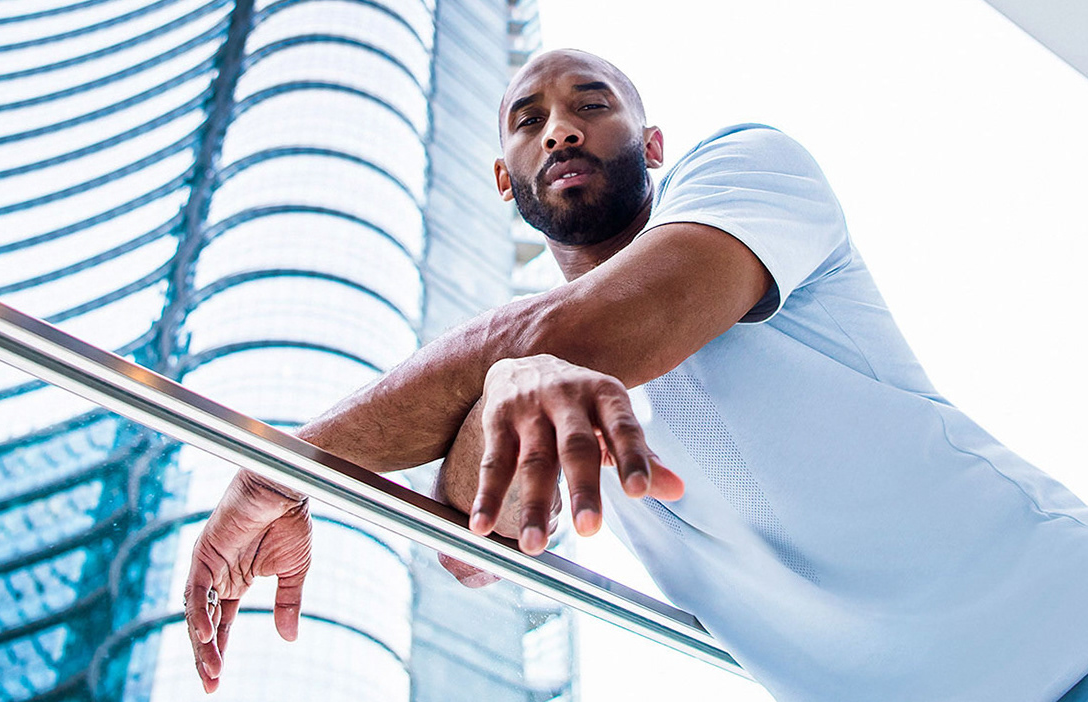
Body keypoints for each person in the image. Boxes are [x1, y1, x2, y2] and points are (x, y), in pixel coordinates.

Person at [184, 48, 1088, 701]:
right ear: (506, 180)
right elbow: (472, 554)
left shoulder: (748, 168)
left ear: (653, 145)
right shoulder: (527, 369)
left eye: (593, 103)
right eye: (528, 121)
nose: (562, 127)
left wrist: (276, 471)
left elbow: (585, 330)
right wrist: (506, 389)